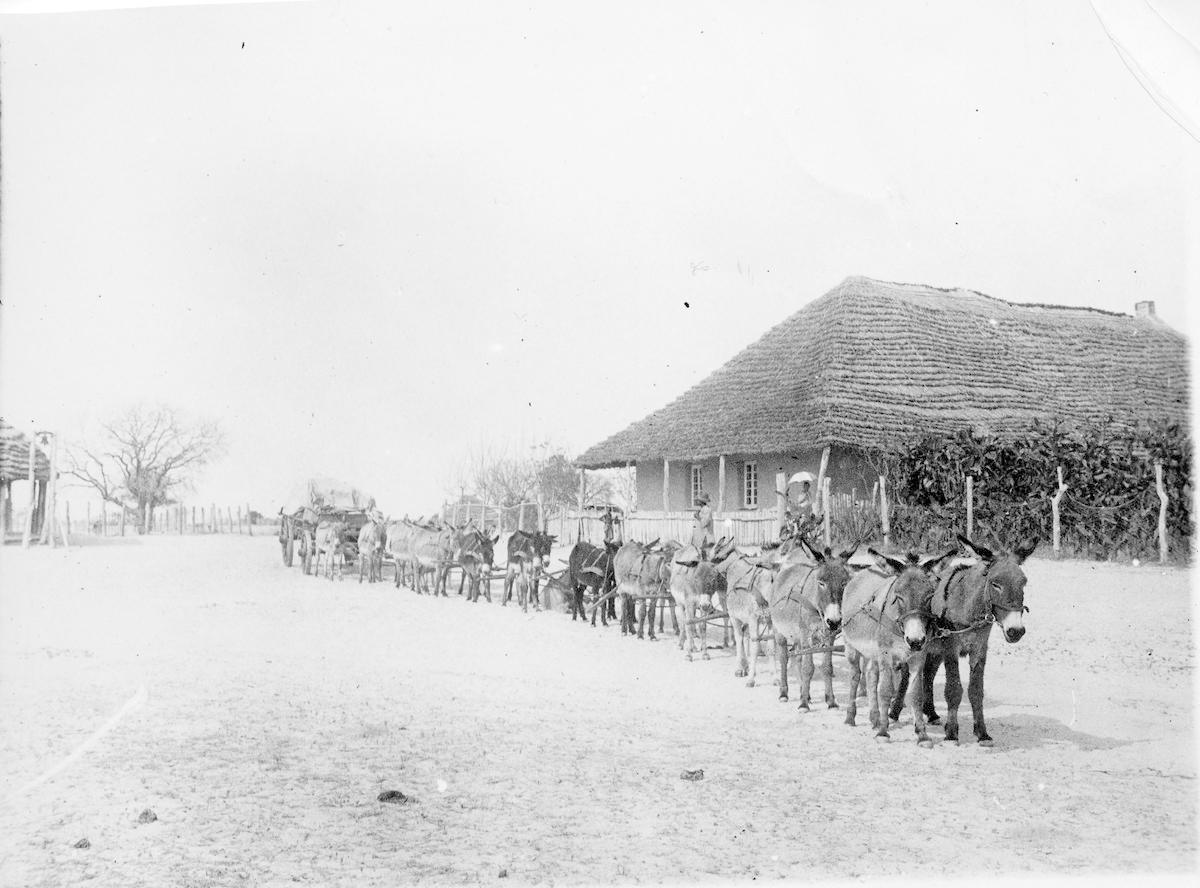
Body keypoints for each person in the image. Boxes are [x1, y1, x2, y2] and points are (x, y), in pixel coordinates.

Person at [691, 492, 715, 559]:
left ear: (702, 501)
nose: (696, 501)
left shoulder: (707, 510)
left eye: (698, 500)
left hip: (705, 537)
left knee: (705, 555)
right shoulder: (702, 510)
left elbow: (704, 523)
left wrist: (697, 517)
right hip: (700, 537)